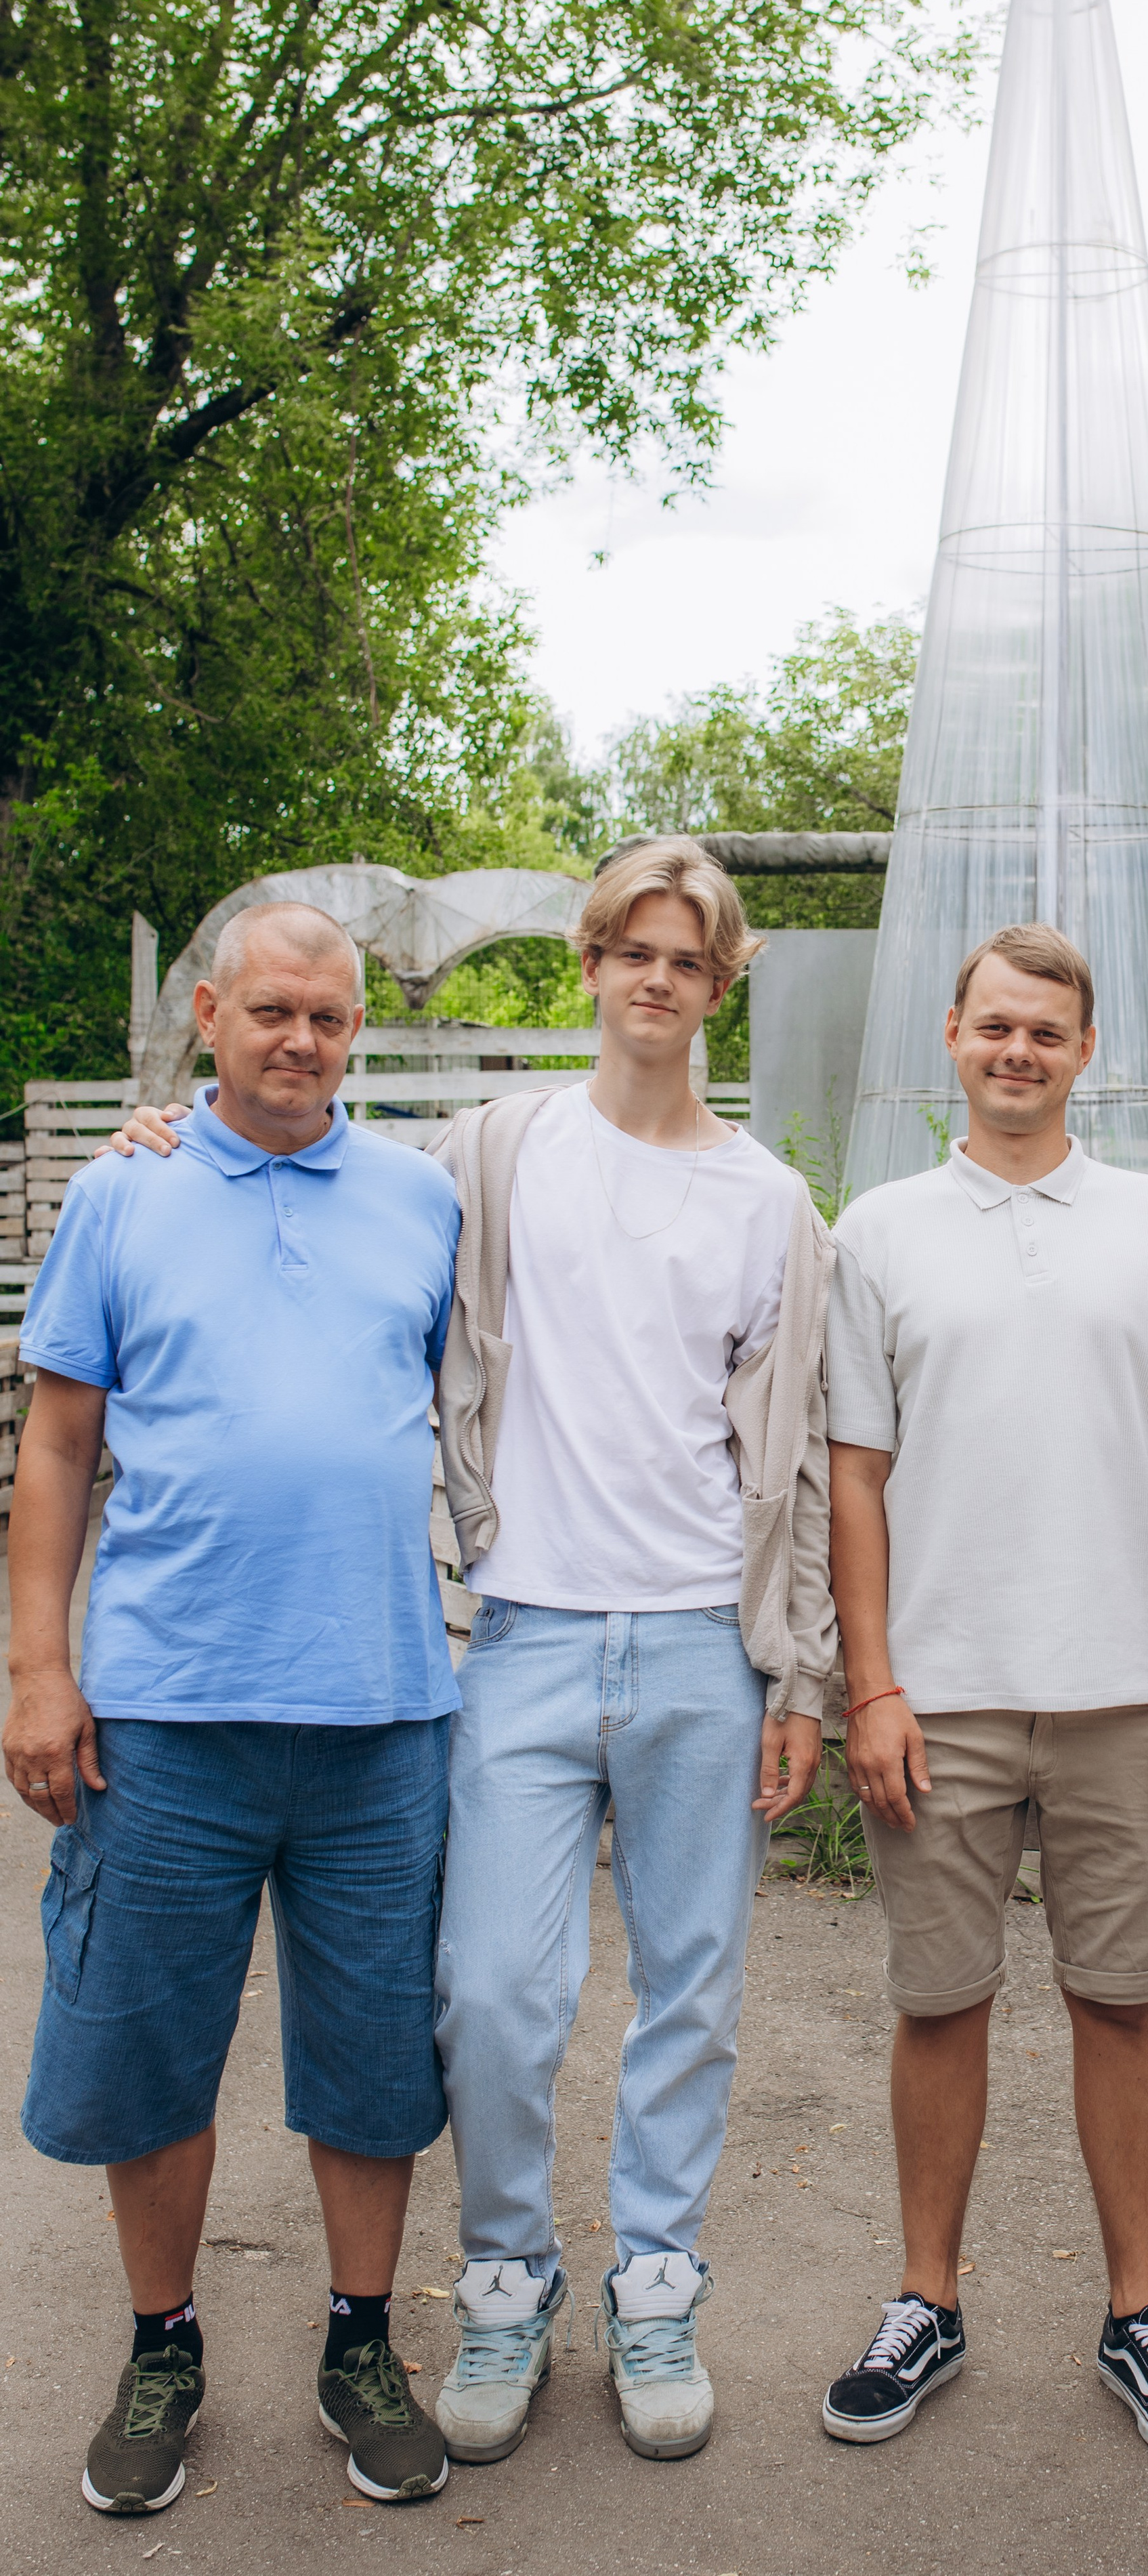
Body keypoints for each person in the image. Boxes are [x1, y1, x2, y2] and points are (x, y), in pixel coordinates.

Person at [113, 842, 836, 2469]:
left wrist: (799, 1674)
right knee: (491, 1998)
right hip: (511, 1633)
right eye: (629, 951)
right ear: (587, 965)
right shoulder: (481, 1156)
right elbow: (290, 1164)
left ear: (722, 984)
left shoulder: (772, 1205)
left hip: (698, 1648)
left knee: (689, 1994)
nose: (655, 981)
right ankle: (505, 2280)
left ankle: (656, 2283)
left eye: (686, 960)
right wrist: (158, 1139)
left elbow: (793, 1461)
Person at [8, 904, 461, 2515]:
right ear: (208, 1015)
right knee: (145, 2053)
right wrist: (38, 1671)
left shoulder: (424, 1196)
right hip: (164, 1714)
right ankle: (162, 2344)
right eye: (272, 1012)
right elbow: (59, 1443)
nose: (303, 1043)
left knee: (376, 2060)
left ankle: (360, 2340)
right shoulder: (126, 1190)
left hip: (379, 1708)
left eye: (330, 1021)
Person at [820, 923, 1148, 2466]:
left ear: (1083, 1053)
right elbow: (852, 1479)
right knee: (938, 2004)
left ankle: (1140, 2312)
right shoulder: (876, 1229)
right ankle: (924, 2301)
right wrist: (869, 1685)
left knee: (1115, 2001)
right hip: (939, 1695)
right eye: (992, 1026)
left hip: (1128, 1691)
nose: (1016, 1052)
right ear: (950, 1035)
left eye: (1044, 1033)